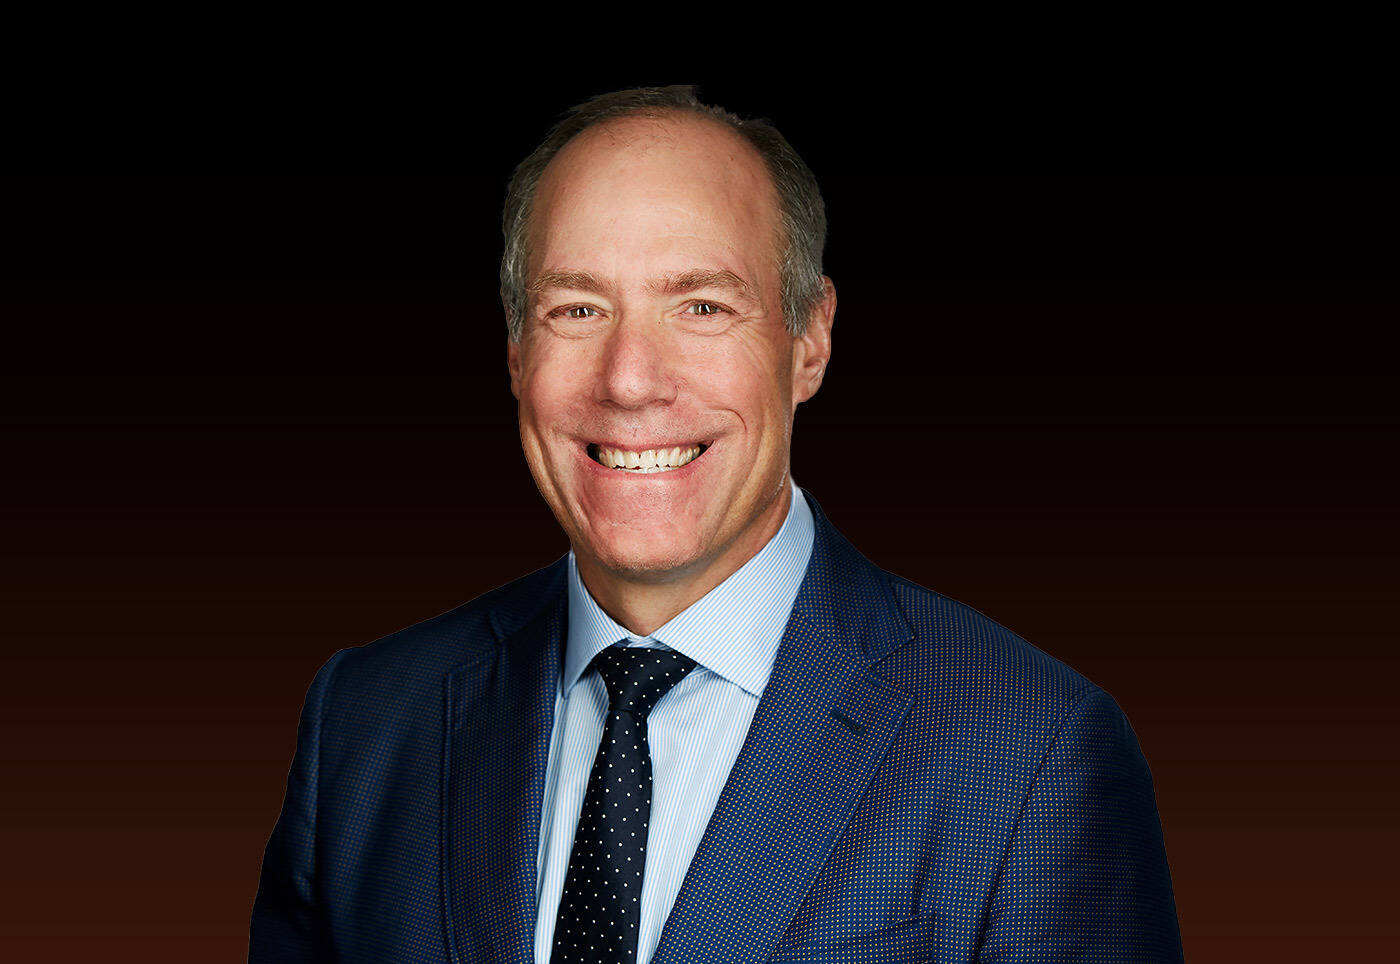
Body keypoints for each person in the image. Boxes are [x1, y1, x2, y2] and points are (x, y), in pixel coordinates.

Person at [250, 86, 1183, 963]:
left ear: (809, 339)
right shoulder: (368, 722)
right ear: (513, 348)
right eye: (577, 308)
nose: (628, 379)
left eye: (701, 306)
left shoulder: (1031, 754)